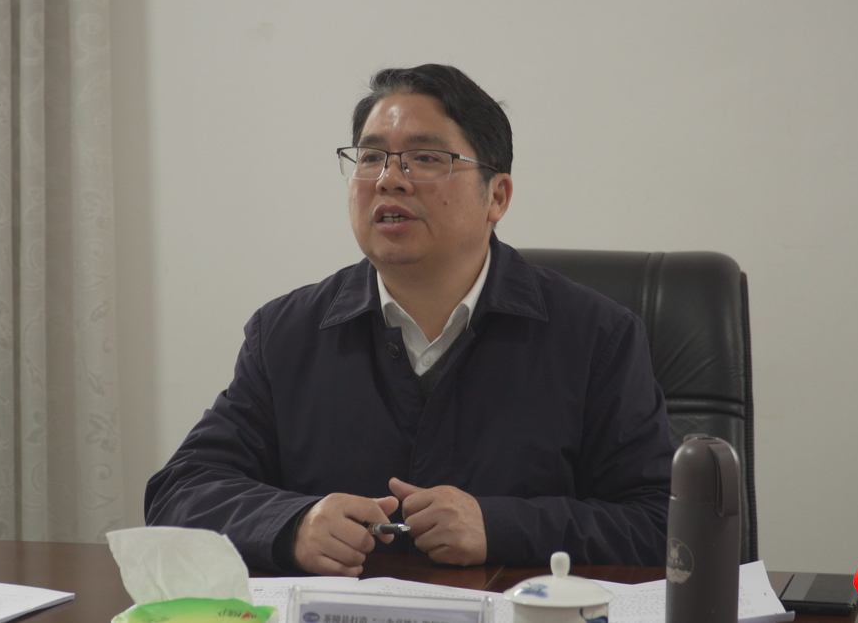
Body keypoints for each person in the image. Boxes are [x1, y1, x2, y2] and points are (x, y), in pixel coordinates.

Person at [145, 64, 673, 576]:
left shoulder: (597, 337)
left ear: (497, 196)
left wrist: (500, 527)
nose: (389, 180)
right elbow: (183, 490)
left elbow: (662, 523)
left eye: (424, 158)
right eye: (371, 157)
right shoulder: (287, 334)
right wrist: (292, 525)